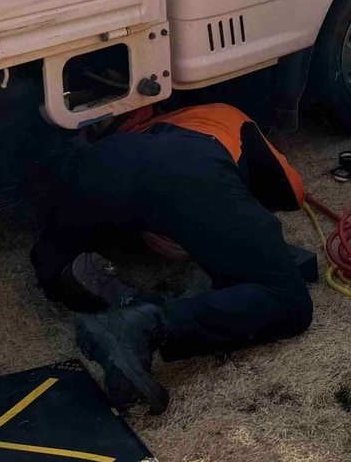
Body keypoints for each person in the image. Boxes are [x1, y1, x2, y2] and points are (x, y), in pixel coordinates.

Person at [32, 102, 315, 413]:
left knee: (52, 254)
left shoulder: (112, 143)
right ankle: (143, 325)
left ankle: (76, 274)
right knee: (288, 300)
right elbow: (293, 191)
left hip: (102, 165)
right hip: (187, 172)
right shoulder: (223, 114)